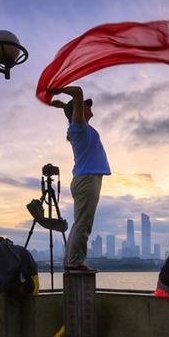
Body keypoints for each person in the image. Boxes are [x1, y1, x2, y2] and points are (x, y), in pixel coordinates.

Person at [49, 86, 111, 272]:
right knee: (83, 223)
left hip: (87, 178)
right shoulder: (79, 128)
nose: (89, 106)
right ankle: (75, 263)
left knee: (80, 222)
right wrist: (58, 88)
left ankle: (71, 262)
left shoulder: (78, 127)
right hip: (87, 179)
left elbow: (71, 111)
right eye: (85, 104)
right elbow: (77, 92)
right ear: (78, 110)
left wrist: (62, 106)